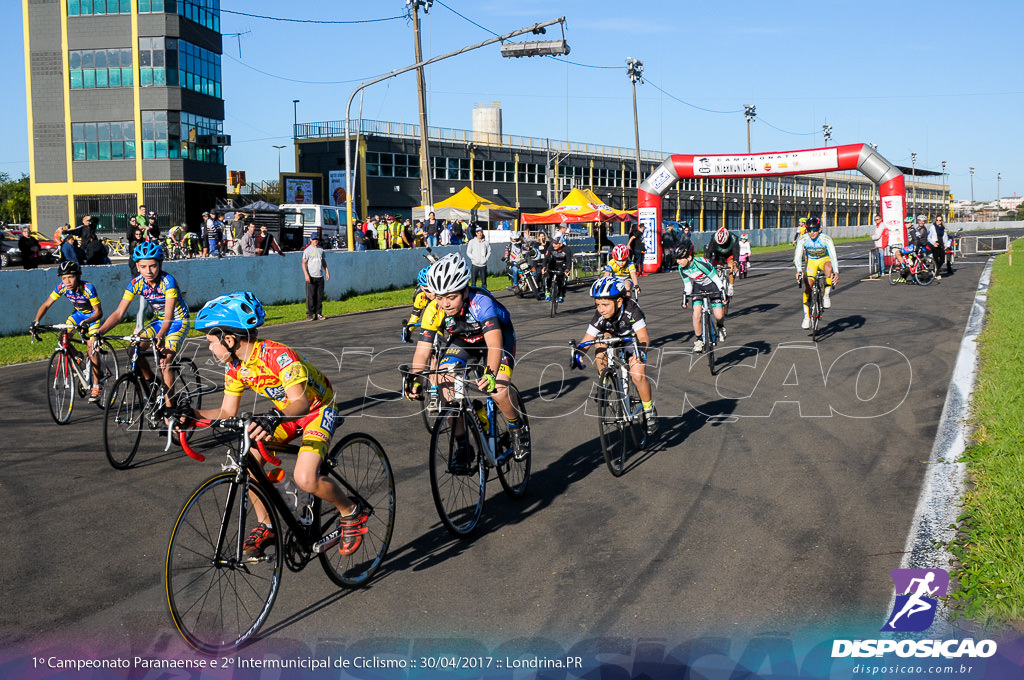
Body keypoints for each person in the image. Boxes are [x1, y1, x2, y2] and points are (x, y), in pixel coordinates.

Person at [186, 291, 367, 558]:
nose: (209, 348)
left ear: (229, 339)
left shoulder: (278, 356)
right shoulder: (236, 368)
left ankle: (351, 512)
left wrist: (271, 417)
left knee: (305, 478)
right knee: (250, 462)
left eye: (211, 341)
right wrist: (190, 415)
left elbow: (301, 404)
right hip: (285, 412)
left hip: (317, 408)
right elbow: (226, 411)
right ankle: (268, 524)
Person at [404, 253, 528, 457]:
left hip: (497, 338)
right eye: (440, 297)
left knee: (497, 388)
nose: (445, 304)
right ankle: (463, 444)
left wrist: (490, 373)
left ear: (465, 290)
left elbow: (494, 344)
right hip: (463, 340)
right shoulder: (433, 310)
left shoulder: (481, 302)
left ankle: (517, 427)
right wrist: (416, 379)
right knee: (444, 382)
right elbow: (423, 351)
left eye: (452, 297)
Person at [90, 241, 191, 400]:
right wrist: (100, 332)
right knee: (133, 350)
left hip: (177, 322)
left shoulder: (168, 281)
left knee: (166, 362)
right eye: (143, 267)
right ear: (137, 267)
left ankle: (171, 409)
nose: (148, 271)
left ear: (160, 264)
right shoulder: (136, 283)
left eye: (152, 266)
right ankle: (151, 381)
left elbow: (170, 316)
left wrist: (161, 335)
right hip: (159, 322)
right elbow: (119, 313)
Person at [570, 277, 657, 436]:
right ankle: (604, 380)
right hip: (613, 337)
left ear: (618, 301)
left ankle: (649, 410)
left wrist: (640, 353)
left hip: (632, 340)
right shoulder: (600, 315)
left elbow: (644, 338)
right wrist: (578, 353)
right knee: (599, 342)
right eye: (597, 305)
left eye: (605, 305)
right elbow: (587, 339)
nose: (601, 309)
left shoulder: (631, 308)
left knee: (637, 375)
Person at [32, 261, 106, 401]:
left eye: (70, 277)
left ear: (78, 276)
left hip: (92, 317)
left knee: (92, 348)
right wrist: (36, 322)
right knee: (63, 339)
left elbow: (99, 312)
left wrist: (86, 322)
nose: (67, 281)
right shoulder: (62, 287)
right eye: (64, 278)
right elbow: (47, 304)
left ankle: (97, 383)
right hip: (77, 315)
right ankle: (77, 356)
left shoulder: (88, 288)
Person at [675, 241, 727, 353]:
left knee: (718, 315)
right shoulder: (681, 268)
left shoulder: (700, 264)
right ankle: (699, 340)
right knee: (696, 314)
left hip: (712, 284)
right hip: (698, 286)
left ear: (689, 257)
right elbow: (688, 285)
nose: (677, 261)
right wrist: (685, 298)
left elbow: (716, 279)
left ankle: (721, 326)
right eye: (676, 259)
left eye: (680, 258)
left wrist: (723, 293)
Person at [793, 217, 838, 329]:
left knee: (828, 267)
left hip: (824, 259)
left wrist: (836, 272)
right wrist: (799, 270)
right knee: (808, 287)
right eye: (809, 230)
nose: (812, 232)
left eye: (815, 229)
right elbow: (797, 256)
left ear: (820, 229)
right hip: (811, 262)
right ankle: (806, 317)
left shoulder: (826, 239)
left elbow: (833, 256)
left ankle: (826, 295)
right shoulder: (803, 239)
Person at [704, 226, 740, 297]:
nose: (722, 246)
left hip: (729, 255)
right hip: (718, 255)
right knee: (713, 269)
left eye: (723, 244)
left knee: (731, 266)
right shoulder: (713, 238)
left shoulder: (734, 239)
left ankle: (731, 286)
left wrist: (735, 263)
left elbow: (736, 253)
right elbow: (709, 251)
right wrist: (707, 262)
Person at [302, 234, 329, 321]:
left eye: (316, 239)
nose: (315, 241)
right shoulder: (307, 250)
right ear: (310, 240)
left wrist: (327, 271)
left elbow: (323, 262)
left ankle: (318, 313)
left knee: (319, 296)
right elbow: (303, 263)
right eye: (314, 239)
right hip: (311, 276)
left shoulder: (321, 249)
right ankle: (310, 314)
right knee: (311, 296)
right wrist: (306, 274)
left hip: (320, 276)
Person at [543, 235, 574, 303]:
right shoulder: (551, 247)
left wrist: (567, 270)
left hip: (562, 264)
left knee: (562, 278)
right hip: (553, 263)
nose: (554, 245)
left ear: (561, 244)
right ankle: (547, 291)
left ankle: (561, 294)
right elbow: (546, 258)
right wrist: (544, 267)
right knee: (548, 275)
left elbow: (569, 261)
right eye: (553, 243)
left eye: (556, 244)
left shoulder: (566, 249)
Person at [928, 214, 949, 280]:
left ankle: (935, 270)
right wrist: (933, 243)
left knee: (942, 259)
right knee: (936, 259)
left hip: (941, 244)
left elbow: (945, 237)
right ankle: (937, 274)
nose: (938, 221)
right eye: (937, 220)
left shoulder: (943, 228)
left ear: (942, 221)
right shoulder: (932, 227)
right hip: (935, 244)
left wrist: (946, 244)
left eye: (940, 220)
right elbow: (928, 237)